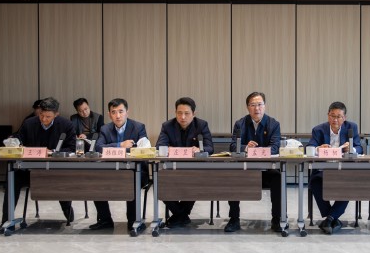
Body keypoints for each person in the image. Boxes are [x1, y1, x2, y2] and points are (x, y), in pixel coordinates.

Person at [0, 97, 76, 235]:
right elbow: (19, 138)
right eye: (41, 115)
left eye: (48, 116)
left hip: (55, 170)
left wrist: (53, 152)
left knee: (63, 182)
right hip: (30, 171)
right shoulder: (29, 123)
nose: (44, 119)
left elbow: (72, 148)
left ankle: (67, 209)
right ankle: (6, 221)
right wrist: (14, 142)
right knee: (13, 178)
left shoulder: (66, 125)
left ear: (56, 114)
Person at [226, 92, 281, 233]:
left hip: (267, 170)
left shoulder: (273, 124)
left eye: (260, 104)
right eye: (253, 105)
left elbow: (275, 147)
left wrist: (257, 151)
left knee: (278, 177)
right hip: (245, 170)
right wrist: (245, 148)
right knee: (232, 177)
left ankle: (277, 219)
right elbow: (233, 146)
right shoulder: (240, 124)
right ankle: (234, 219)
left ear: (265, 106)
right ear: (247, 107)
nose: (257, 108)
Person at [92, 98, 148, 232]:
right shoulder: (105, 129)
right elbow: (98, 147)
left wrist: (112, 148)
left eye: (121, 111)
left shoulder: (138, 127)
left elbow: (143, 149)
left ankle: (133, 221)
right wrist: (120, 145)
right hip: (112, 170)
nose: (118, 115)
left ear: (127, 112)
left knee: (131, 181)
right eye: (114, 112)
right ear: (109, 114)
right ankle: (105, 220)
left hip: (136, 171)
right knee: (95, 182)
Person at [156, 97, 214, 227]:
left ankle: (179, 216)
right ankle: (182, 216)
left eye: (187, 113)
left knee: (194, 182)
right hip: (172, 170)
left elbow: (210, 147)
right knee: (159, 185)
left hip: (194, 170)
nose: (182, 117)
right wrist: (168, 149)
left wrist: (200, 149)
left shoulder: (201, 125)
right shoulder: (167, 126)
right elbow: (159, 147)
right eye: (179, 113)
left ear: (194, 113)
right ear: (175, 113)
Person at [306, 101, 363, 234]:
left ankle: (329, 219)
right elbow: (309, 147)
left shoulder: (352, 127)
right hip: (323, 169)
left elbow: (360, 148)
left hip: (344, 169)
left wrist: (352, 148)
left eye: (339, 116)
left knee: (350, 184)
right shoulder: (318, 129)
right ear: (328, 115)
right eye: (332, 116)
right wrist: (318, 148)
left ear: (344, 117)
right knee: (314, 182)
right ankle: (332, 218)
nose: (335, 119)